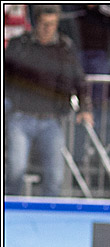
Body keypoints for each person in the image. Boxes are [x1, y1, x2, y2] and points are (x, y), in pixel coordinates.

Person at [4, 4, 93, 197]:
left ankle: (50, 219)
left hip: (51, 119)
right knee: (15, 171)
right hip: (21, 115)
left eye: (52, 24)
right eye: (44, 24)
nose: (48, 29)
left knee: (54, 176)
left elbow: (79, 78)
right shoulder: (20, 45)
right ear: (36, 23)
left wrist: (85, 107)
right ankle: (8, 214)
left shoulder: (64, 47)